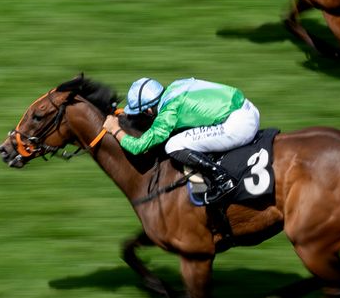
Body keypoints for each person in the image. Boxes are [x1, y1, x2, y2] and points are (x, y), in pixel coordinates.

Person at [102, 77, 260, 204]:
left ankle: (222, 179)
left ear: (149, 110)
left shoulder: (168, 113)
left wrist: (115, 129)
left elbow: (139, 147)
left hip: (240, 126)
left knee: (173, 145)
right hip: (247, 107)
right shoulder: (175, 86)